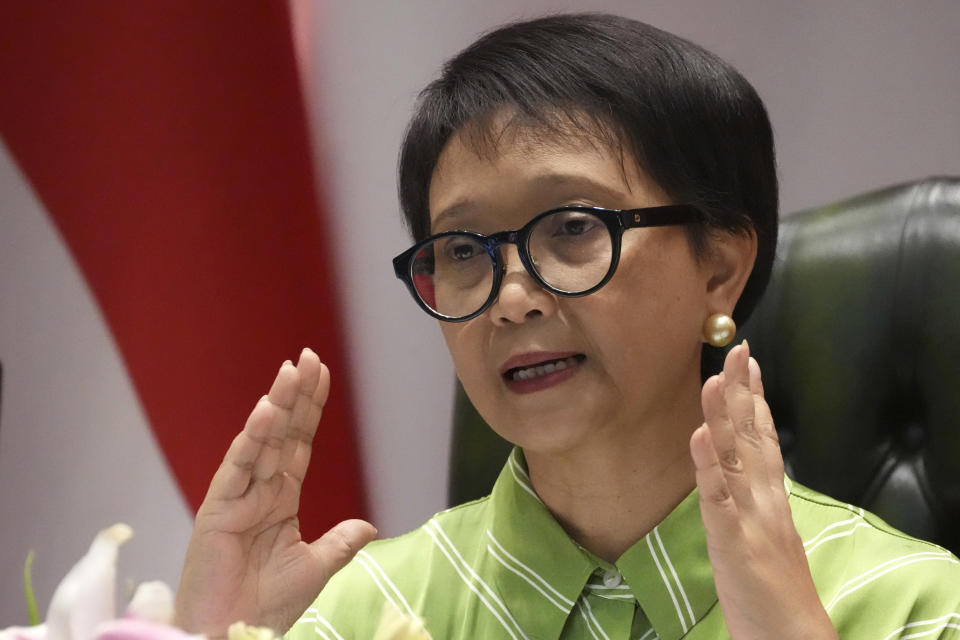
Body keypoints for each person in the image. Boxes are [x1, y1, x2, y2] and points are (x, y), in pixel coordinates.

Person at [174, 13, 960, 639]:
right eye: (462, 249)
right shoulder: (364, 616)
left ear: (719, 267)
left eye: (574, 227)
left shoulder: (909, 610)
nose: (511, 296)